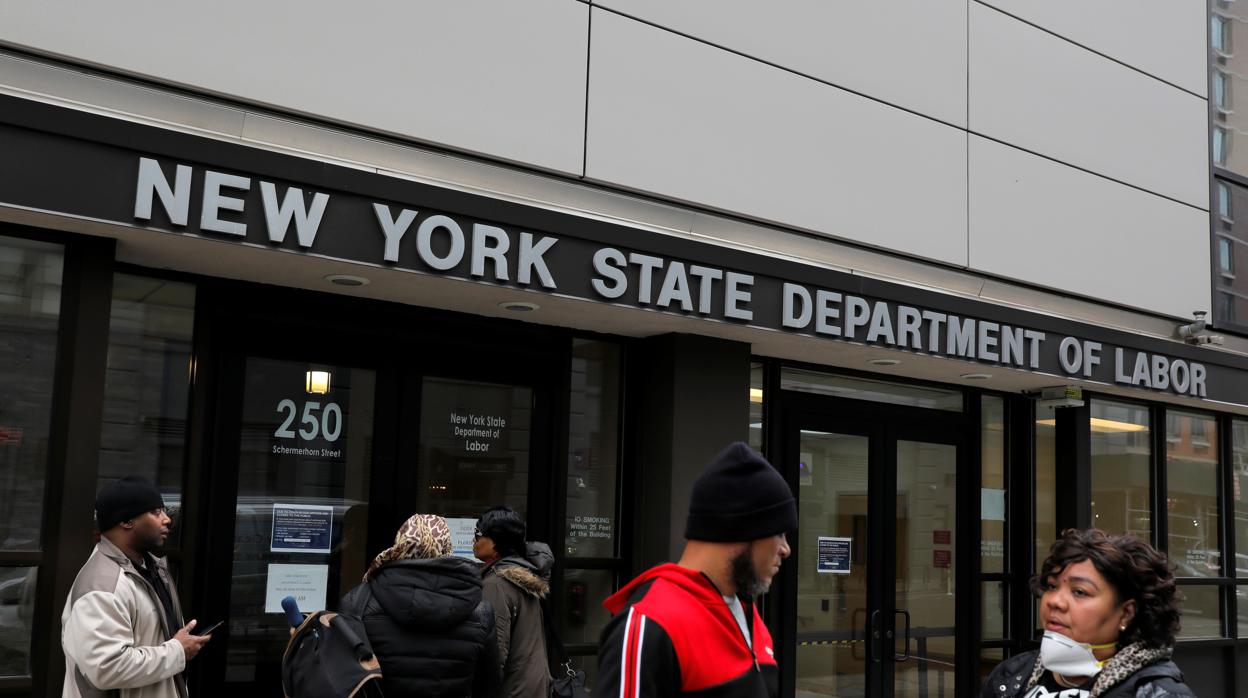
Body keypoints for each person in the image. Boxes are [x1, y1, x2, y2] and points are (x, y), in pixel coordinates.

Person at [597, 442, 795, 698]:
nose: (786, 549)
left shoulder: (748, 613)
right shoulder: (651, 624)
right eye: (779, 532)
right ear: (741, 528)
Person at [981, 528, 1196, 698]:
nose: (1055, 601)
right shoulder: (1011, 674)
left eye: (1079, 592)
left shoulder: (1157, 692)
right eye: (1052, 586)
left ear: (1126, 613)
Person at [62, 476, 211, 698]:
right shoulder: (103, 584)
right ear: (127, 521)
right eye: (156, 512)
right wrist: (178, 651)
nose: (167, 519)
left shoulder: (152, 569)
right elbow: (107, 668)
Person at [340, 513, 501, 697]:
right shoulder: (479, 609)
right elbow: (489, 685)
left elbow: (344, 678)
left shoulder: (360, 601)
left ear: (400, 543)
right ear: (446, 547)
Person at [474, 506, 553, 698]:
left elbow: (494, 655)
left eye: (478, 534)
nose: (474, 541)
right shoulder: (526, 576)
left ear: (494, 543)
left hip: (512, 690)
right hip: (533, 687)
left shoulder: (496, 585)